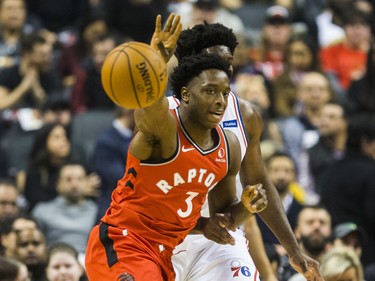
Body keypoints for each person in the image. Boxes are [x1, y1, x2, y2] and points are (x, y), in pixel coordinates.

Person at [157, 18, 323, 281]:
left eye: (228, 63)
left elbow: (257, 182)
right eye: (215, 63)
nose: (224, 69)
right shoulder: (162, 114)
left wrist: (293, 249)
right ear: (192, 64)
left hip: (220, 237)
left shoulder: (245, 114)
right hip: (165, 237)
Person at [85, 51, 265, 280]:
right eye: (210, 91)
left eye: (225, 93)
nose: (220, 100)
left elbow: (224, 222)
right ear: (186, 95)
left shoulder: (228, 145)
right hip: (125, 242)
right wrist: (155, 57)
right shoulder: (164, 130)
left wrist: (247, 207)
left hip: (163, 253)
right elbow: (149, 108)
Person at [31, 161, 98, 255]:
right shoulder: (42, 211)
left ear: (87, 182)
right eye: (68, 180)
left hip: (87, 261)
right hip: (52, 259)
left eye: (79, 179)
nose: (74, 185)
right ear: (58, 184)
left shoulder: (97, 212)